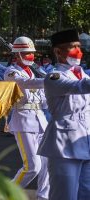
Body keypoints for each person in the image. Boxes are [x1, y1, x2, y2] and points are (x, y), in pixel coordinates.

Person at [38, 29, 90, 200]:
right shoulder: (54, 77)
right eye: (71, 47)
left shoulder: (83, 74)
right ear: (58, 51)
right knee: (64, 195)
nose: (78, 51)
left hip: (85, 142)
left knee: (86, 193)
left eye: (78, 46)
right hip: (64, 146)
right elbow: (80, 87)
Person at [3, 36, 49, 200]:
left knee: (46, 164)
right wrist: (48, 80)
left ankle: (44, 196)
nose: (31, 56)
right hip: (23, 121)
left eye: (31, 53)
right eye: (26, 53)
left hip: (40, 121)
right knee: (32, 166)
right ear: (17, 55)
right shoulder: (11, 72)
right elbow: (26, 83)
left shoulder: (36, 72)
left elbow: (43, 100)